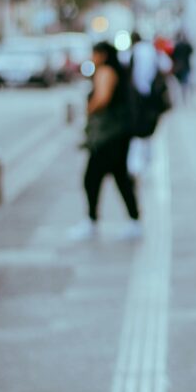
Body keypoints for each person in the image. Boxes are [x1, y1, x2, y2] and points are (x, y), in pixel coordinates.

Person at [72, 41, 141, 241]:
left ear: (102, 55)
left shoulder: (105, 72)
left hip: (107, 136)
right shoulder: (118, 70)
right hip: (119, 134)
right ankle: (134, 220)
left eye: (94, 54)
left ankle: (91, 220)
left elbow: (102, 98)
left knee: (91, 178)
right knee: (121, 178)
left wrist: (89, 108)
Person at [125, 31, 172, 176]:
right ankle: (148, 158)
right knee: (149, 128)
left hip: (138, 97)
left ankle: (137, 163)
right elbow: (167, 66)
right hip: (152, 96)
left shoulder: (135, 52)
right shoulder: (152, 50)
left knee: (138, 128)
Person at [170, 31, 193, 104]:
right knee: (184, 83)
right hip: (184, 66)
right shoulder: (185, 46)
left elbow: (172, 56)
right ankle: (184, 97)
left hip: (179, 66)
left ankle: (181, 98)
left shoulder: (177, 46)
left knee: (181, 83)